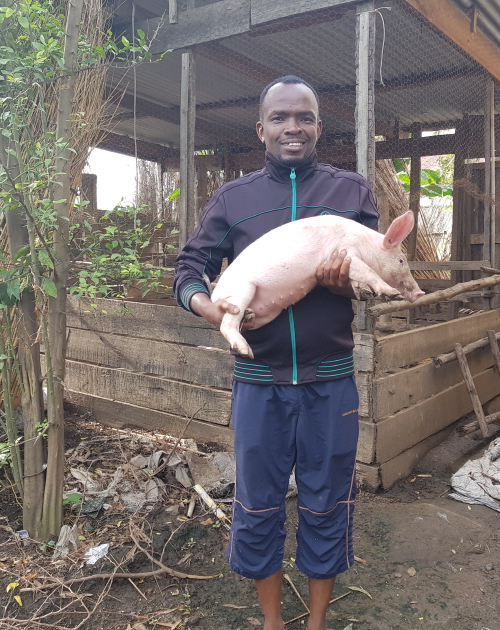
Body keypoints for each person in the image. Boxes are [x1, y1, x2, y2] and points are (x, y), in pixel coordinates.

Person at [173, 76, 379, 630]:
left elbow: (373, 271)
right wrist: (211, 310)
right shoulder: (234, 200)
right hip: (258, 381)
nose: (294, 127)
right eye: (282, 117)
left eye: (305, 117)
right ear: (261, 128)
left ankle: (316, 622)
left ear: (319, 127)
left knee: (327, 501)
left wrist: (344, 281)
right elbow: (188, 270)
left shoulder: (350, 193)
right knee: (258, 502)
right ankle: (272, 621)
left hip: (330, 380)